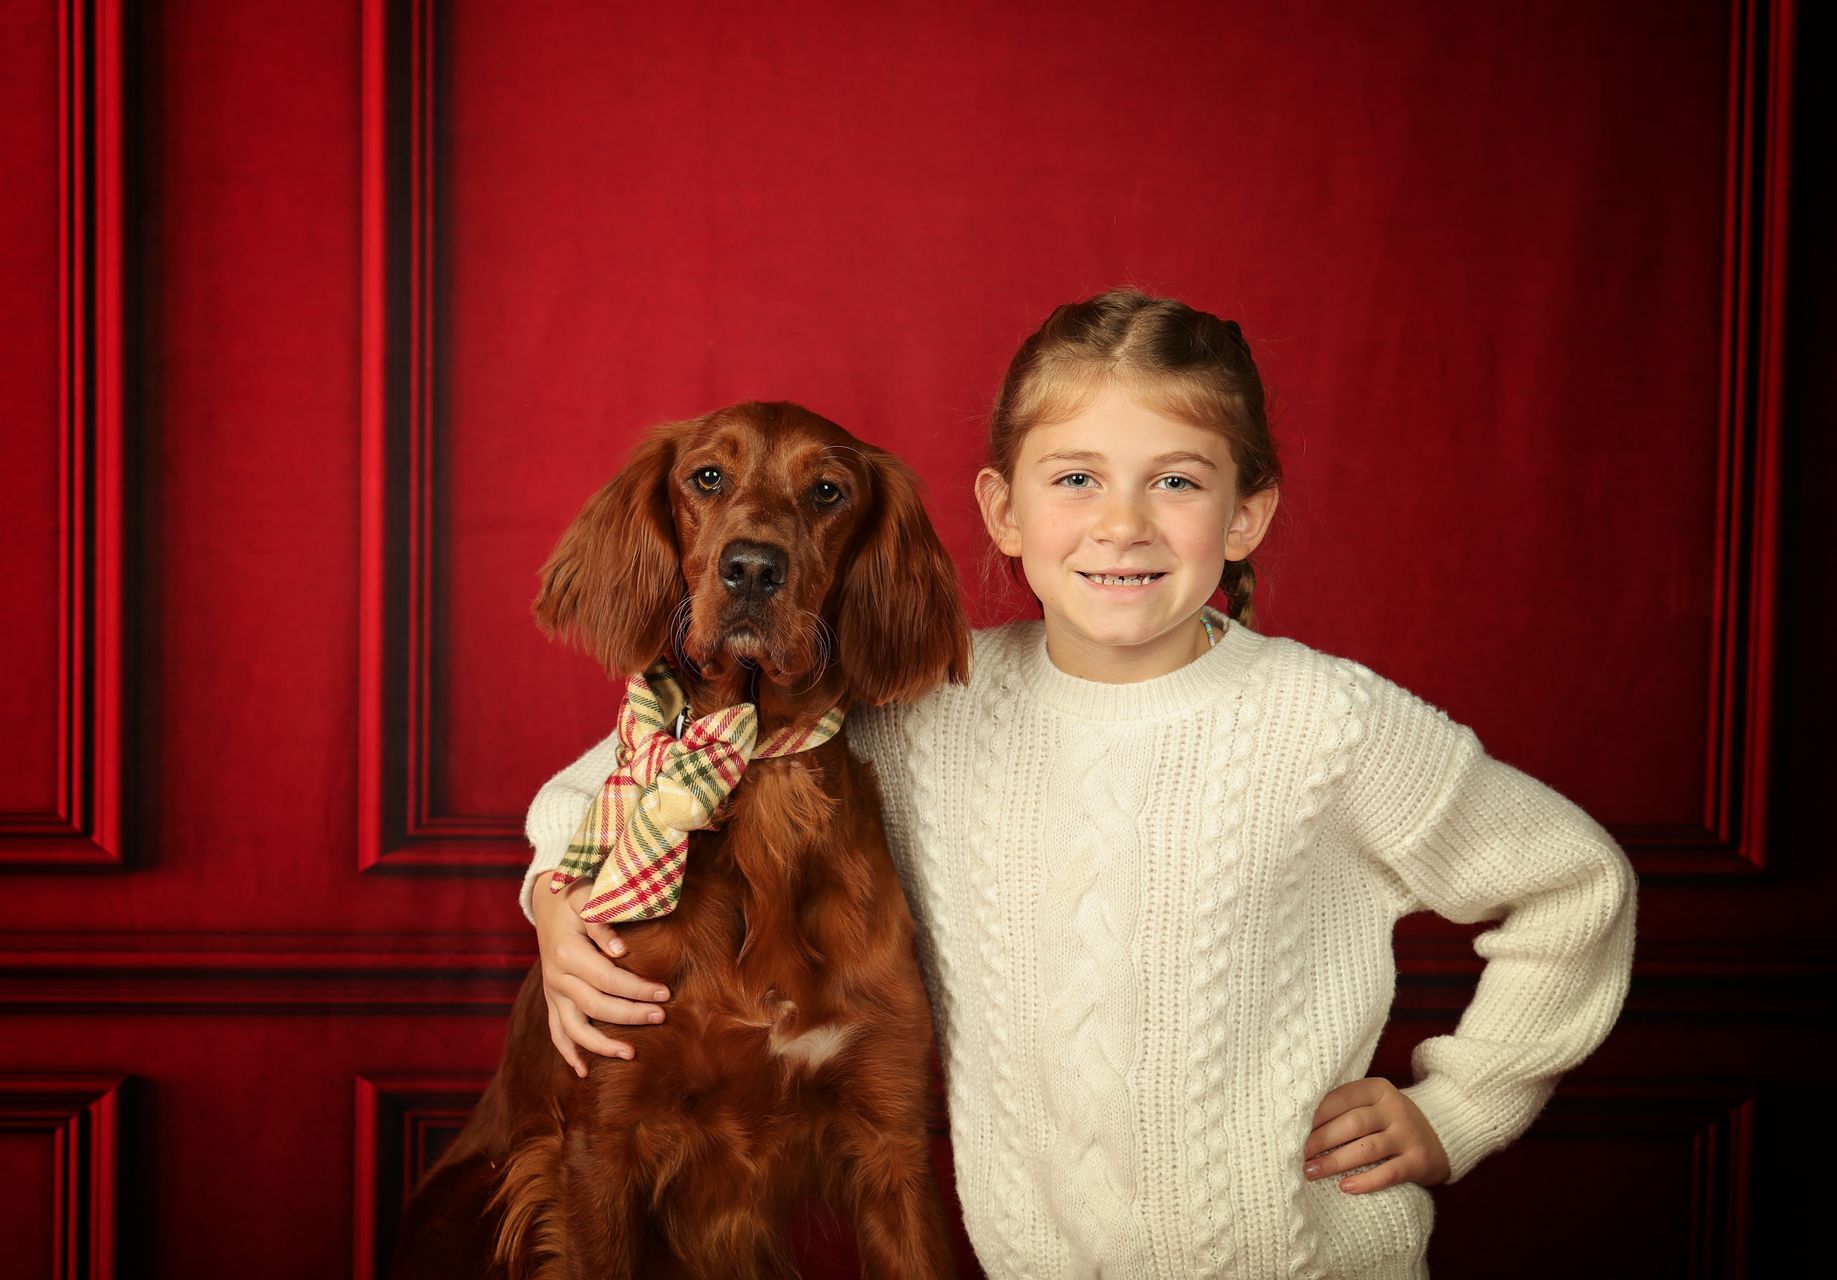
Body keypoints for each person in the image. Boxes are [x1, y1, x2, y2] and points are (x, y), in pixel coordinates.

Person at [518, 289, 1637, 1278]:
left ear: (1246, 513)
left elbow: (1574, 882)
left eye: (1178, 481)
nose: (1122, 523)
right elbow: (638, 767)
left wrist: (1460, 1105)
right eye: (1077, 478)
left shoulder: (1330, 722)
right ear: (1005, 510)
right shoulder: (930, 709)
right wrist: (555, 899)